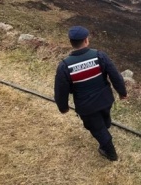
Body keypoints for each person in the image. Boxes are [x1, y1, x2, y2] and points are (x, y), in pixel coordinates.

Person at [54, 26, 127, 161]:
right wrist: (122, 92)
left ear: (71, 42)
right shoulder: (99, 56)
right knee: (102, 121)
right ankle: (105, 131)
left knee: (97, 128)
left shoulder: (65, 66)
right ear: (86, 40)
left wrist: (63, 107)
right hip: (105, 99)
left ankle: (110, 152)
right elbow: (115, 75)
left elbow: (61, 89)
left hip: (86, 106)